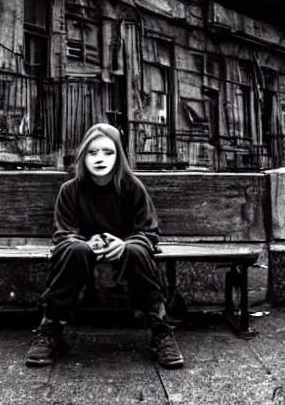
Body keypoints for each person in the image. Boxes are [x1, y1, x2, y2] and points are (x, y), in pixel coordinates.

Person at [25, 123, 184, 369]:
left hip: (126, 246)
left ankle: (160, 330)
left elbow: (149, 230)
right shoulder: (71, 190)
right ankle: (50, 329)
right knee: (73, 250)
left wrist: (125, 242)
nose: (100, 158)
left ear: (118, 156)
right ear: (83, 156)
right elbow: (63, 233)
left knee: (136, 251)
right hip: (84, 248)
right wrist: (86, 242)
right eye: (93, 152)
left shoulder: (131, 187)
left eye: (108, 152)